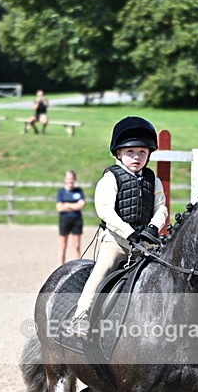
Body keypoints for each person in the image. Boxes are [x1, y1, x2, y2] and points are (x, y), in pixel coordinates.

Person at [66, 116, 168, 338]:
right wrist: (129, 232)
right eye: (131, 152)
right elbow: (105, 211)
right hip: (116, 242)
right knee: (102, 270)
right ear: (119, 153)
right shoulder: (111, 178)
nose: (137, 157)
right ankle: (81, 317)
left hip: (145, 244)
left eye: (142, 152)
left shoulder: (153, 180)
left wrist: (153, 227)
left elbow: (162, 208)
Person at [56, 170, 85, 265]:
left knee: (76, 246)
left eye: (72, 178)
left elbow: (81, 205)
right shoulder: (61, 192)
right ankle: (60, 266)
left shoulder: (79, 191)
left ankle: (77, 265)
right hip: (64, 220)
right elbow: (60, 208)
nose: (70, 180)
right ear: (65, 179)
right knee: (62, 245)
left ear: (75, 179)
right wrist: (74, 206)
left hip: (76, 220)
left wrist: (67, 205)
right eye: (68, 178)